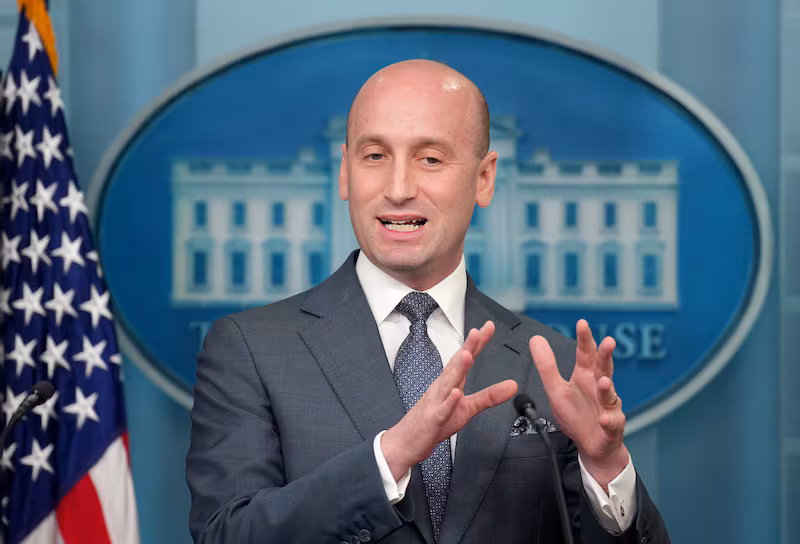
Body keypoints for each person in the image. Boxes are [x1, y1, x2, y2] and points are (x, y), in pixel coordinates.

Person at [186, 59, 671, 544]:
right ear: (344, 173)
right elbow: (226, 534)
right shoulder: (250, 350)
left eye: (430, 159)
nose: (398, 189)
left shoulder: (554, 364)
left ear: (484, 179)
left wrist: (607, 468)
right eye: (374, 156)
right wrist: (391, 456)